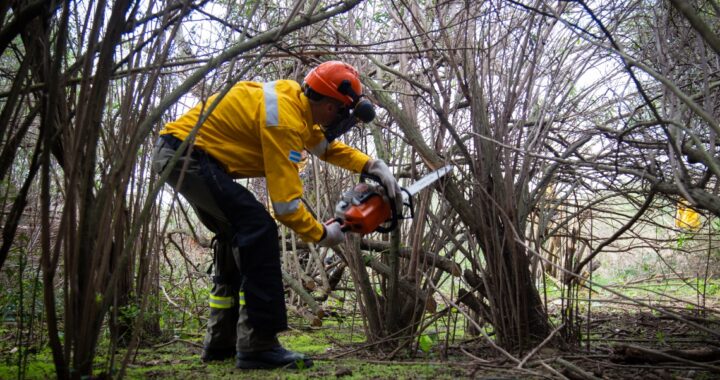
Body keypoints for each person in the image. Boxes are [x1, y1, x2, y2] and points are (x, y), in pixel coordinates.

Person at [151, 61, 401, 370]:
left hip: (182, 153)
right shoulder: (283, 119)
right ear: (328, 105)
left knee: (236, 234)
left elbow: (326, 149)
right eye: (340, 113)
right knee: (258, 227)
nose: (339, 121)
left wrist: (371, 165)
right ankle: (258, 345)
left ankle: (221, 342)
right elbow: (285, 207)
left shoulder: (295, 103)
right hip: (187, 155)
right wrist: (323, 234)